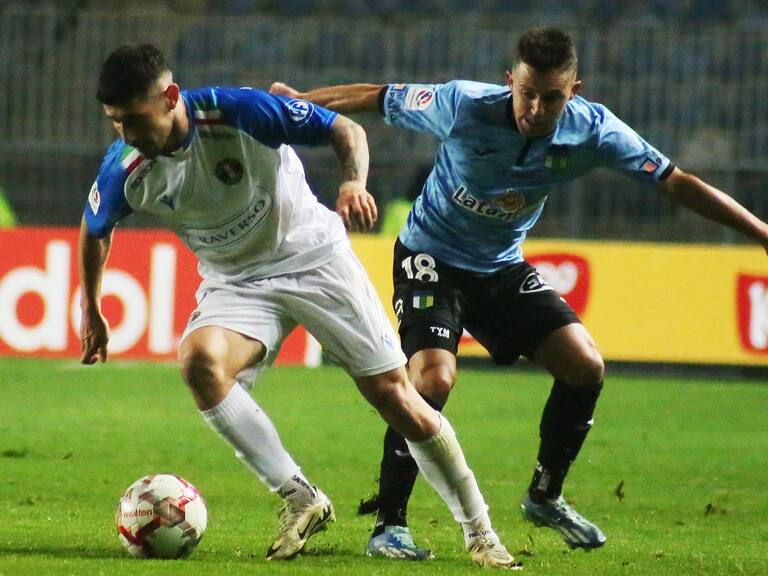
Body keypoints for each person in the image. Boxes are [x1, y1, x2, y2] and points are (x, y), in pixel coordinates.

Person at [270, 26, 768, 559]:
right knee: (432, 379)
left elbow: (676, 180)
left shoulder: (593, 130)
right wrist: (301, 105)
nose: (534, 108)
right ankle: (389, 525)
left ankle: (545, 495)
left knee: (585, 365)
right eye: (526, 93)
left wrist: (760, 233)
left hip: (500, 268)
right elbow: (377, 95)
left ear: (573, 92)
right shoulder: (463, 105)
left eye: (551, 97)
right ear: (511, 81)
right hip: (430, 258)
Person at [79, 43, 521, 568]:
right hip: (237, 280)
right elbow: (95, 230)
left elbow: (345, 130)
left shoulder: (237, 112)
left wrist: (353, 181)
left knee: (397, 398)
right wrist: (92, 307)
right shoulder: (125, 166)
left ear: (171, 97)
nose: (127, 135)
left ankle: (480, 532)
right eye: (115, 123)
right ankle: (301, 497)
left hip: (312, 256)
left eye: (134, 120)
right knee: (199, 362)